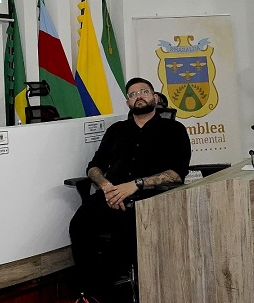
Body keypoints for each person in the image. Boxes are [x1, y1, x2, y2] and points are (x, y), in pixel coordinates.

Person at [68, 77, 191, 302]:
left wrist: (135, 185)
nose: (138, 97)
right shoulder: (116, 130)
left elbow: (177, 173)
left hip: (151, 196)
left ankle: (106, 293)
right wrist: (106, 187)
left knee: (124, 231)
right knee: (80, 224)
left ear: (155, 97)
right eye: (133, 95)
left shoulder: (174, 129)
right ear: (128, 103)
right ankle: (89, 292)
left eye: (144, 92)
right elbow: (94, 166)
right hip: (112, 193)